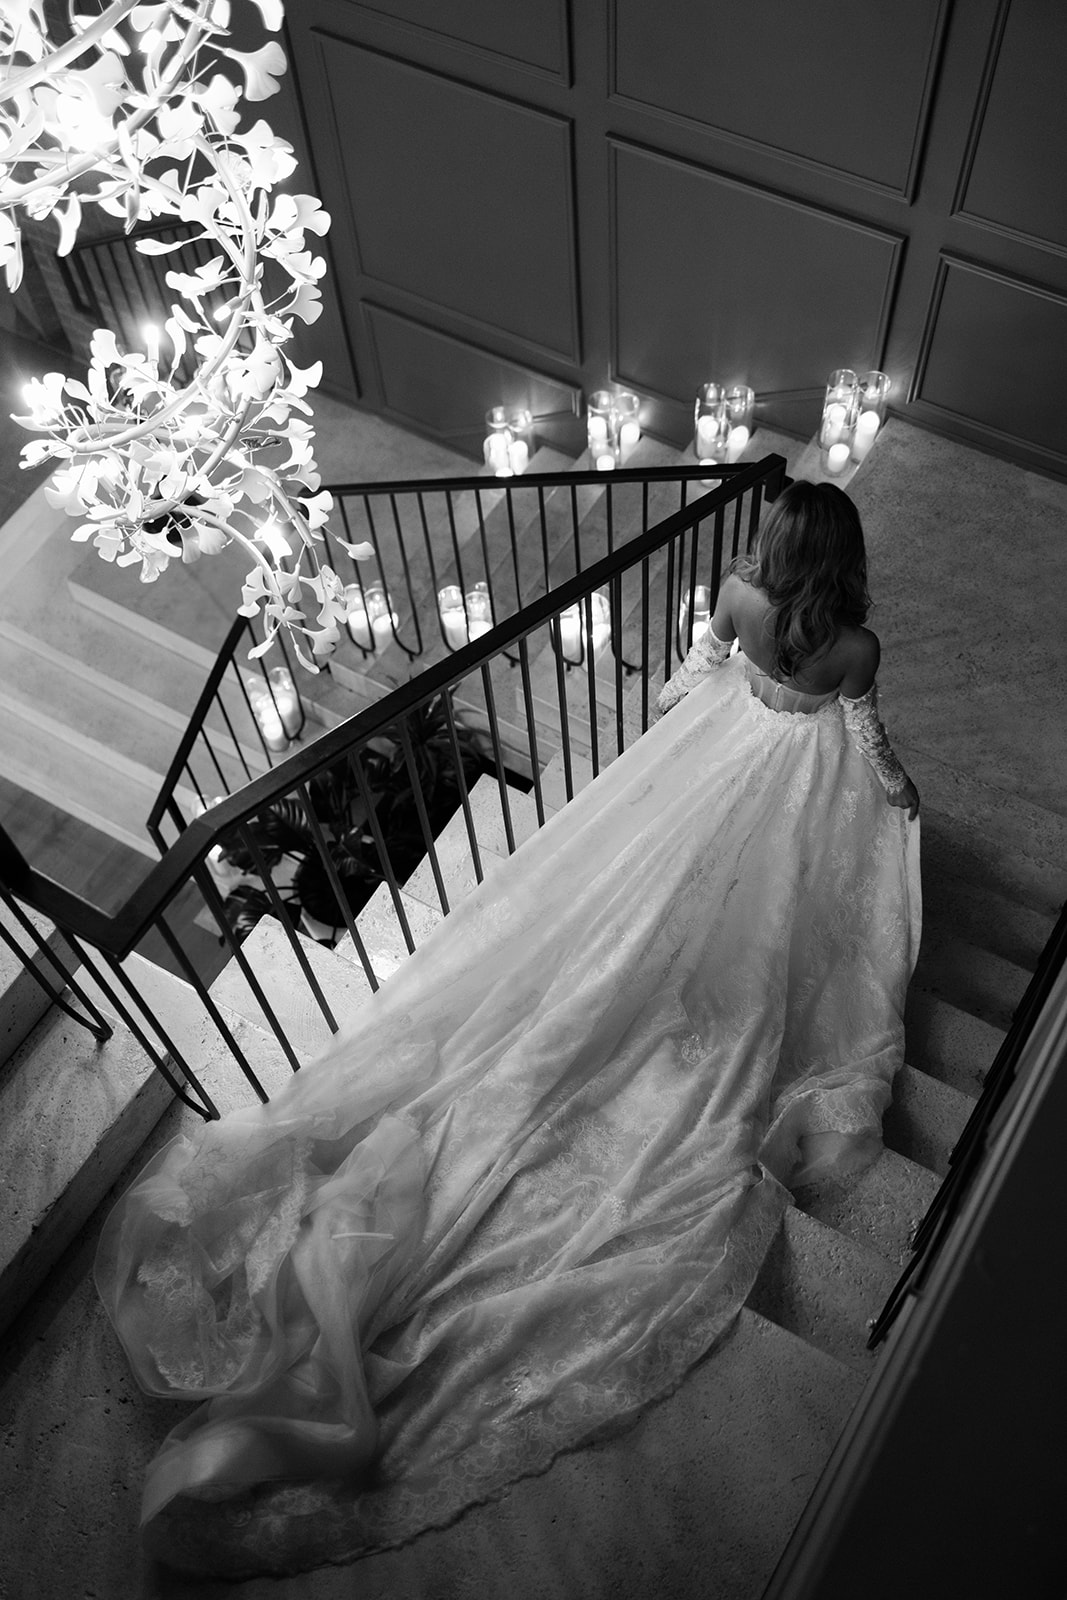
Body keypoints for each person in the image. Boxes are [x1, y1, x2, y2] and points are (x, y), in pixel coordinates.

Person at [95, 479, 921, 1580]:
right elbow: (867, 753)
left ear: (773, 550)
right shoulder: (855, 650)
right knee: (765, 927)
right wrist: (902, 803)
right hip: (784, 798)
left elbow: (690, 681)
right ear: (846, 556)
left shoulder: (733, 595)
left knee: (652, 905)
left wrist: (667, 747)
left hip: (712, 766)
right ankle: (702, 1005)